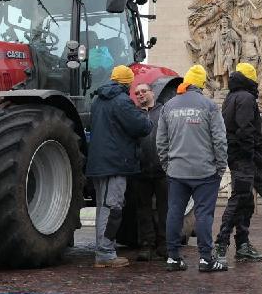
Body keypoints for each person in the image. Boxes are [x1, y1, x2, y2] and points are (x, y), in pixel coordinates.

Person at [157, 65, 229, 272]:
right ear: (201, 84)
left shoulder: (169, 106)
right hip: (205, 171)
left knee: (174, 213)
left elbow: (161, 141)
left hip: (177, 171)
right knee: (204, 214)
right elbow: (220, 140)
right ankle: (206, 259)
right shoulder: (209, 106)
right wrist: (220, 167)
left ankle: (172, 257)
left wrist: (167, 165)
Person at [85, 64, 153, 268]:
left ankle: (104, 248)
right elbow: (140, 127)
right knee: (112, 207)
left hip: (99, 162)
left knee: (103, 206)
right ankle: (105, 253)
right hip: (114, 163)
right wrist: (144, 116)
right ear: (128, 82)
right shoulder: (122, 101)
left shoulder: (98, 100)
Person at [217, 62, 262, 263]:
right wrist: (251, 154)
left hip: (235, 153)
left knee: (245, 200)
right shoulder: (246, 98)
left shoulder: (231, 97)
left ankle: (243, 244)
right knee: (239, 198)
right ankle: (221, 243)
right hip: (244, 156)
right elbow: (245, 129)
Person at [131, 81, 168, 261]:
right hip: (141, 169)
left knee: (165, 210)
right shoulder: (133, 115)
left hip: (163, 169)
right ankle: (146, 245)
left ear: (152, 93)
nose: (140, 95)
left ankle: (164, 244)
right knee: (143, 210)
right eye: (137, 93)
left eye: (143, 91)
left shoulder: (164, 113)